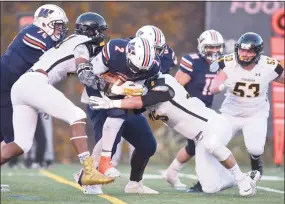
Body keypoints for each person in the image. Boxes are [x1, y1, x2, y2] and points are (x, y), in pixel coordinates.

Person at [89, 73, 261, 197]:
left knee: (212, 144)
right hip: (199, 137)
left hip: (214, 124)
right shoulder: (147, 93)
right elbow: (135, 105)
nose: (133, 85)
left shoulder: (165, 83)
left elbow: (142, 100)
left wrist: (111, 101)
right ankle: (244, 177)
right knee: (211, 187)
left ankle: (241, 179)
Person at [0, 12, 116, 186]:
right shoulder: (82, 44)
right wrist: (110, 87)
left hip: (24, 85)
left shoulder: (72, 41)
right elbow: (86, 76)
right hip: (34, 83)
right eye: (100, 31)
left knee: (21, 144)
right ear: (91, 31)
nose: (102, 35)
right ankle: (88, 171)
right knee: (77, 115)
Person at [76, 33, 161, 194]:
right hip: (98, 96)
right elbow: (89, 78)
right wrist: (111, 90)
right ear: (129, 53)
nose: (135, 73)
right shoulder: (114, 51)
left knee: (147, 145)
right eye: (134, 68)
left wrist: (141, 90)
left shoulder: (154, 66)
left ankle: (134, 184)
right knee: (111, 139)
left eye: (140, 71)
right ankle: (90, 180)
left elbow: (148, 95)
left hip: (124, 103)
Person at [209, 32, 284, 177]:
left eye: (249, 51)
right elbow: (213, 88)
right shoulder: (228, 63)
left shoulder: (268, 66)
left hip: (256, 113)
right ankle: (207, 177)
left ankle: (255, 162)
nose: (244, 54)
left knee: (256, 149)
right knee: (213, 143)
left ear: (257, 53)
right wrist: (223, 86)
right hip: (230, 112)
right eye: (242, 50)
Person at [1, 3, 68, 149]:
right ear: (44, 23)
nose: (60, 29)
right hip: (5, 84)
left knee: (12, 134)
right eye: (57, 25)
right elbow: (47, 55)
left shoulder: (44, 38)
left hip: (12, 85)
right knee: (12, 135)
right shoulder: (33, 32)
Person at [166, 29, 225, 191]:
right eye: (210, 47)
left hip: (204, 110)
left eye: (217, 47)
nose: (214, 51)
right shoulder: (192, 61)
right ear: (201, 46)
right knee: (204, 144)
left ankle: (171, 173)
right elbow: (176, 87)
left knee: (193, 146)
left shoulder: (222, 63)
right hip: (189, 110)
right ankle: (203, 182)